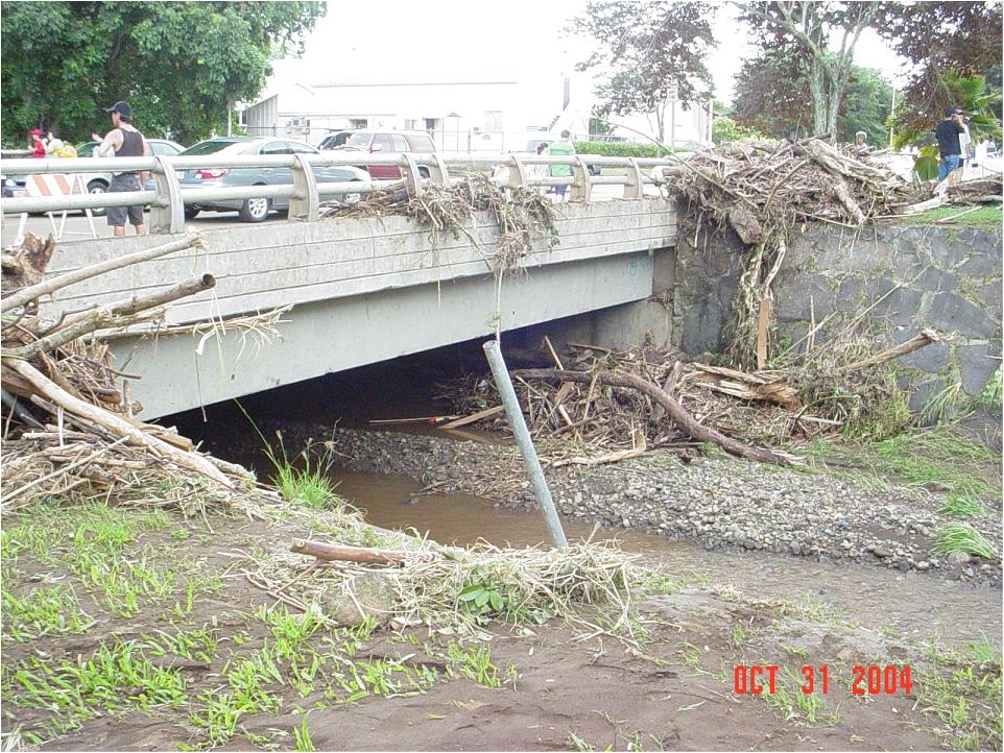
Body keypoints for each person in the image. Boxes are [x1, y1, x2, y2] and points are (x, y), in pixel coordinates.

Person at [91, 100, 149, 236]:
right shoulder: (140, 136)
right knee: (139, 221)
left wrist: (113, 167)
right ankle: (144, 248)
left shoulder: (116, 133)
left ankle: (121, 249)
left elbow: (101, 151)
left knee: (119, 222)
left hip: (119, 182)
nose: (112, 117)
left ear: (117, 115)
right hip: (135, 183)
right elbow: (145, 165)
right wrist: (142, 185)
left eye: (113, 114)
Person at [934, 105, 965, 182]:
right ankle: (948, 190)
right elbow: (963, 130)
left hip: (943, 153)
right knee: (951, 174)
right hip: (954, 152)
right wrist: (959, 120)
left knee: (942, 173)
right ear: (952, 115)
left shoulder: (939, 126)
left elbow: (937, 136)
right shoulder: (954, 124)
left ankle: (939, 187)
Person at [548, 130, 575, 201]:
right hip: (564, 171)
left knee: (557, 190)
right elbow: (573, 159)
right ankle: (558, 204)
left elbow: (548, 156)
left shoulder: (553, 145)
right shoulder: (569, 146)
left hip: (554, 171)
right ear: (569, 136)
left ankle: (560, 203)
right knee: (561, 191)